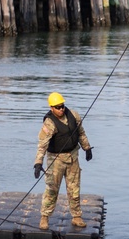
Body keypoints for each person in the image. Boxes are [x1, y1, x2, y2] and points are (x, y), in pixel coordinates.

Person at [33, 92, 94, 229]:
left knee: (74, 189)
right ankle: (45, 217)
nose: (61, 109)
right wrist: (38, 163)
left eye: (62, 106)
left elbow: (81, 133)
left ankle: (76, 216)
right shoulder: (49, 123)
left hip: (73, 156)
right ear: (51, 108)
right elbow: (42, 145)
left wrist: (87, 147)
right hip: (56, 160)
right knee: (52, 189)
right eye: (57, 107)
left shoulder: (74, 115)